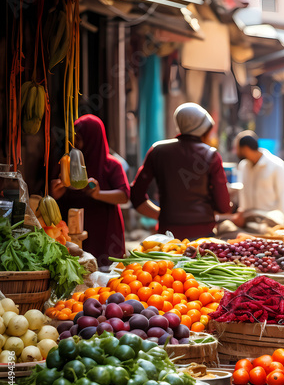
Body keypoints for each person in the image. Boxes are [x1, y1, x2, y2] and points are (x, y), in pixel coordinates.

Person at [130, 103, 232, 240]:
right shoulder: (211, 155)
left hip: (168, 233)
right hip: (203, 234)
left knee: (169, 262)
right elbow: (224, 206)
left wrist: (162, 214)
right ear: (203, 129)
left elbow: (136, 196)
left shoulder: (158, 151)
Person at [50, 114, 130, 268]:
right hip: (73, 232)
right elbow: (52, 197)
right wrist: (55, 195)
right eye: (74, 139)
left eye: (80, 139)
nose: (76, 145)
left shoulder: (111, 165)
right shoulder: (66, 164)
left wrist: (98, 194)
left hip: (104, 231)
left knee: (106, 276)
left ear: (94, 139)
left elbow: (124, 195)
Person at [235, 130, 284, 222]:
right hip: (249, 220)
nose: (236, 152)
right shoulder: (243, 166)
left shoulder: (277, 166)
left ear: (245, 149)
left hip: (271, 220)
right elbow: (243, 194)